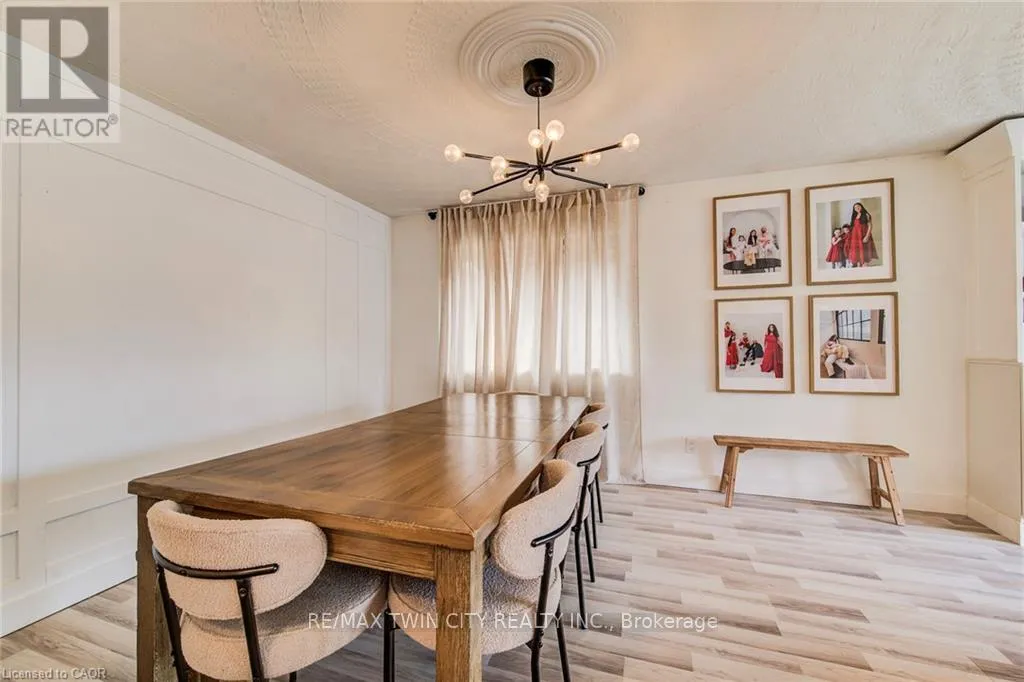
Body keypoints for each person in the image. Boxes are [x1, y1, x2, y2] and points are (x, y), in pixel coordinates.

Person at [847, 202, 878, 267]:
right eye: (855, 207)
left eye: (858, 206)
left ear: (861, 207)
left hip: (863, 235)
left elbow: (870, 226)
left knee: (864, 251)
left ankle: (864, 265)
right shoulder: (854, 216)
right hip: (855, 237)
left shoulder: (866, 215)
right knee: (857, 252)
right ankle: (859, 266)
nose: (857, 208)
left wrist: (867, 236)